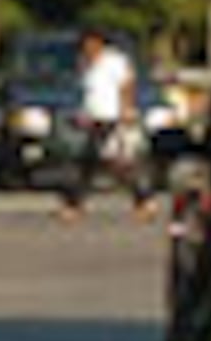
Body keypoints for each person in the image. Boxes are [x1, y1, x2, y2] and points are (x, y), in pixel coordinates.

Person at [62, 29, 148, 216]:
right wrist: (82, 113)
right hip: (93, 117)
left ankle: (74, 204)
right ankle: (142, 199)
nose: (88, 48)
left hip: (111, 116)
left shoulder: (114, 61)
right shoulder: (85, 63)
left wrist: (127, 109)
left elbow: (127, 84)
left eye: (91, 44)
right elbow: (88, 92)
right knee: (103, 163)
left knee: (97, 161)